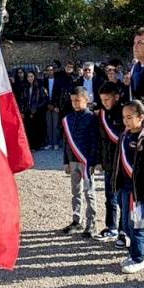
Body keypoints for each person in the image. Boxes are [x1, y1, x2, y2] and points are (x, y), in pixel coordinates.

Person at [114, 98, 144, 273]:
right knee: (126, 223)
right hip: (124, 187)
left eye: (130, 117)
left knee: (138, 224)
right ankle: (134, 253)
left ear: (141, 116)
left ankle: (139, 258)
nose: (126, 121)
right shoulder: (124, 135)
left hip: (139, 191)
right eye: (124, 117)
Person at [61, 87, 99, 237]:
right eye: (72, 101)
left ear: (86, 99)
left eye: (78, 100)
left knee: (89, 192)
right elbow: (66, 141)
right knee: (75, 192)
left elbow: (95, 141)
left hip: (86, 160)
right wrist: (66, 161)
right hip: (73, 160)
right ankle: (77, 220)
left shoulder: (91, 118)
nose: (75, 104)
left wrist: (93, 162)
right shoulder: (68, 118)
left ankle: (92, 223)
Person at [96, 82, 125, 242]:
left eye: (107, 99)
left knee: (122, 198)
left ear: (116, 97)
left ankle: (123, 229)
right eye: (102, 100)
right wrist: (100, 160)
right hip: (108, 162)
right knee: (110, 197)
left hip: (121, 162)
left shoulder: (124, 112)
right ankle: (111, 226)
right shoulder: (102, 115)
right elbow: (101, 139)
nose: (105, 103)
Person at [20, 71, 48, 150]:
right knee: (29, 128)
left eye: (31, 76)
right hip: (27, 111)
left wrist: (37, 108)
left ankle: (37, 145)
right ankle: (30, 146)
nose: (30, 78)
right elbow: (22, 99)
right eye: (28, 76)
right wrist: (22, 111)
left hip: (37, 111)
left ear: (34, 77)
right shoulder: (25, 87)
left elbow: (45, 99)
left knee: (37, 128)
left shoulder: (40, 87)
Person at [42, 64, 63, 150]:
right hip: (47, 106)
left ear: (54, 71)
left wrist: (56, 106)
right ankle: (50, 143)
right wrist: (47, 104)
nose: (50, 72)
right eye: (48, 70)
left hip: (55, 106)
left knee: (55, 125)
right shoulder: (44, 81)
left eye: (51, 70)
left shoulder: (58, 81)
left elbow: (60, 95)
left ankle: (56, 143)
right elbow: (43, 94)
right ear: (46, 72)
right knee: (48, 125)